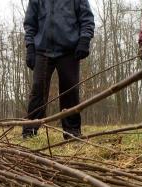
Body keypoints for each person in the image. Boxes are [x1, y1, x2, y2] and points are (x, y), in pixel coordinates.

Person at [22, 0, 95, 139]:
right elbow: (30, 23)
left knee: (70, 90)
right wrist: (30, 46)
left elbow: (87, 19)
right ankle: (29, 131)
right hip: (42, 50)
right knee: (38, 90)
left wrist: (85, 39)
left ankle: (72, 132)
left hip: (69, 51)